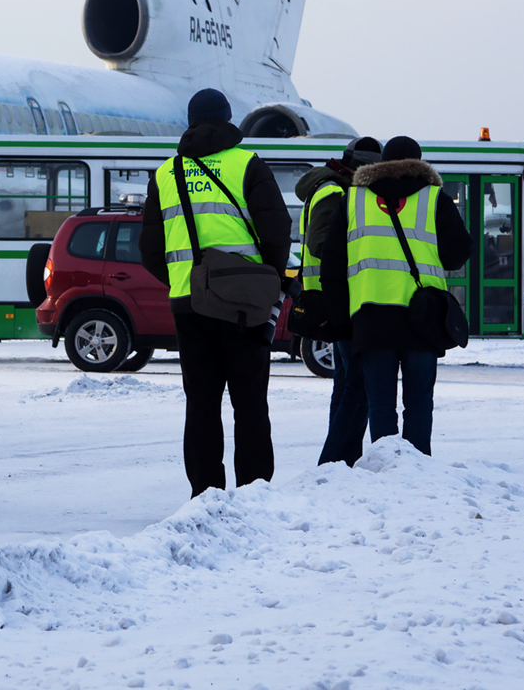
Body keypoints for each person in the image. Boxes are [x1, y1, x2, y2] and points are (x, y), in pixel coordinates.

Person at [139, 89, 291, 497]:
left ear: (190, 122)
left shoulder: (165, 174)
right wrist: (266, 279)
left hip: (189, 304)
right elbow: (277, 231)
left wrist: (185, 279)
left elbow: (150, 251)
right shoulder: (248, 164)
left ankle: (205, 492)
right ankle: (254, 489)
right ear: (228, 119)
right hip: (245, 303)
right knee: (250, 401)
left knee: (202, 403)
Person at [319, 135, 472, 456]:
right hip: (423, 318)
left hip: (371, 320)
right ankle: (417, 472)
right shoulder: (435, 199)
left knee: (380, 407)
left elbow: (332, 265)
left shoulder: (353, 200)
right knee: (418, 405)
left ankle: (386, 472)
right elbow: (458, 253)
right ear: (420, 163)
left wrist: (341, 322)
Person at [297, 136, 382, 467]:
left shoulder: (331, 188)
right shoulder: (335, 193)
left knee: (346, 386)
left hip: (329, 295)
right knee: (356, 388)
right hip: (337, 297)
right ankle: (334, 461)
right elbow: (322, 244)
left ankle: (340, 462)